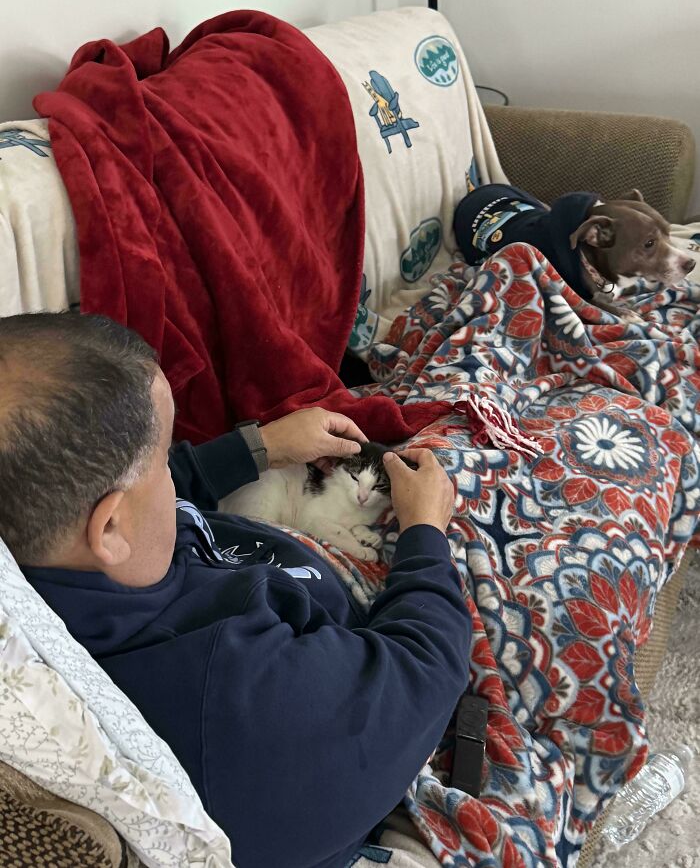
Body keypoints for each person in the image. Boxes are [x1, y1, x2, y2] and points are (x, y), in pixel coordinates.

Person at [0, 311, 472, 868]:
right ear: (109, 528)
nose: (176, 475)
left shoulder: (56, 548)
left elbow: (129, 493)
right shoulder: (236, 694)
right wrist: (424, 531)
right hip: (395, 637)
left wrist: (262, 447)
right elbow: (428, 668)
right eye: (163, 461)